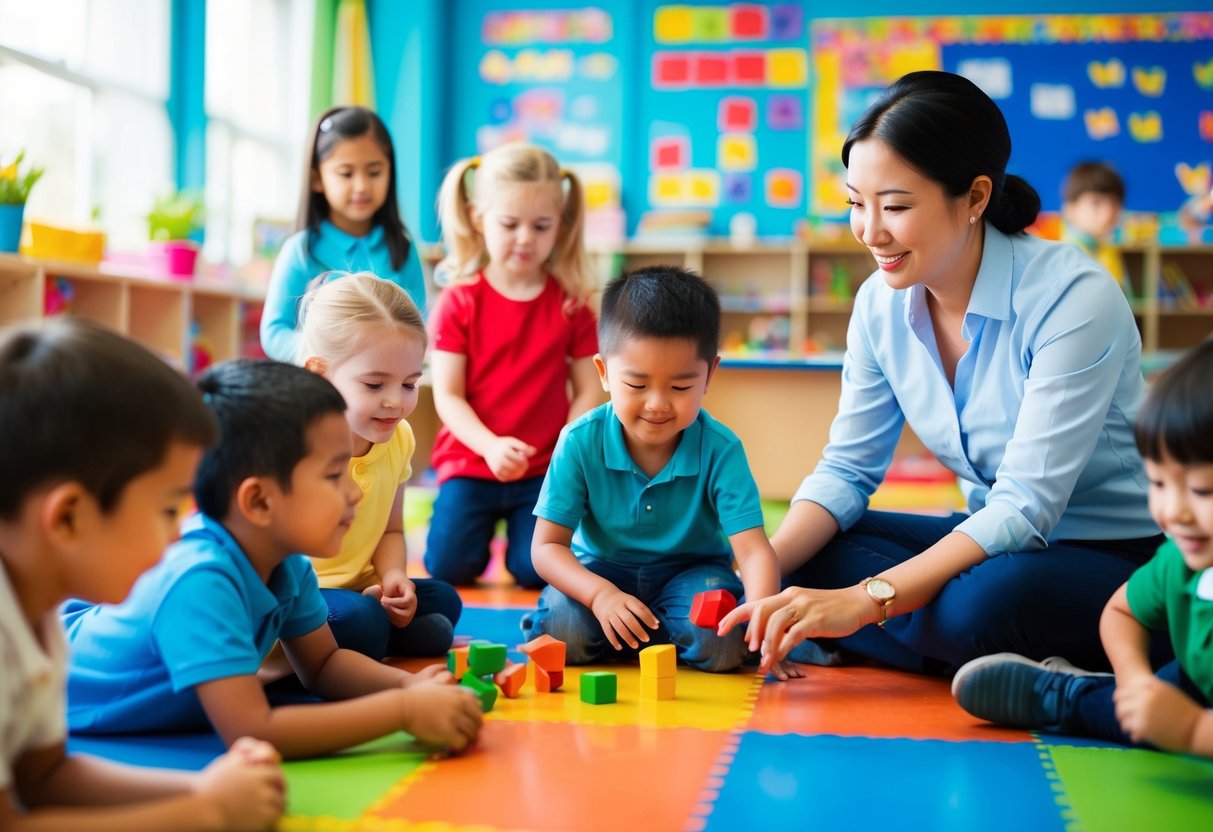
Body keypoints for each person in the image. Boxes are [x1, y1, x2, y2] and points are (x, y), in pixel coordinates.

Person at [718, 70, 1163, 681]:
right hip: (991, 538)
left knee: (979, 607)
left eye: (896, 206)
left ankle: (898, 634)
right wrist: (750, 577)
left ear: (976, 197)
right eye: (855, 203)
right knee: (798, 559)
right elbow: (847, 470)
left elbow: (1027, 505)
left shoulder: (1073, 296)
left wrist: (865, 600)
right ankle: (972, 650)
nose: (870, 232)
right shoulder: (879, 304)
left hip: (1116, 551)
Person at [64, 360, 483, 760]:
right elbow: (254, 730)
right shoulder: (200, 579)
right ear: (259, 500)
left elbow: (323, 665)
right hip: (48, 682)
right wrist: (404, 712)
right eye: (334, 475)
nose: (355, 493)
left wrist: (409, 688)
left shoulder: (287, 564)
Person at [0, 319, 284, 831]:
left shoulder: (36, 608)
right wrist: (204, 812)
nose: (178, 537)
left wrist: (204, 786)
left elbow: (44, 777)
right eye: (168, 509)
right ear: (69, 518)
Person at [520, 266, 789, 674]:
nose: (658, 404)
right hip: (600, 569)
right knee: (562, 631)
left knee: (725, 644)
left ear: (709, 375)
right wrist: (599, 595)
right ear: (604, 373)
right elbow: (547, 547)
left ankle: (639, 635)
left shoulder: (721, 449)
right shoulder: (579, 441)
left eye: (680, 387)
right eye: (638, 385)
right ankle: (640, 632)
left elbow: (752, 550)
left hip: (692, 573)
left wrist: (764, 621)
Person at [952, 338, 1213, 757]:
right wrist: (1133, 681)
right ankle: (1073, 693)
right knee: (1148, 707)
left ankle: (1070, 697)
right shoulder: (1180, 561)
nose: (1174, 512)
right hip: (1192, 682)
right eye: (1159, 484)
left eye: (1201, 490)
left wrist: (1191, 731)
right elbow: (1122, 610)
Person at [425, 143, 601, 588]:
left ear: (559, 227)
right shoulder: (459, 301)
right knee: (447, 569)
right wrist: (489, 446)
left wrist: (566, 446)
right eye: (510, 224)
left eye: (540, 226)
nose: (525, 238)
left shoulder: (572, 305)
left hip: (542, 470)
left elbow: (589, 389)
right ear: (479, 219)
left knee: (535, 571)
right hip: (471, 461)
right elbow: (448, 395)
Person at [297, 273, 461, 658]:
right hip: (303, 596)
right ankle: (372, 634)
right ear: (320, 374)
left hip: (363, 587)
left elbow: (390, 529)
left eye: (409, 384)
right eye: (374, 385)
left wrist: (393, 579)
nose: (395, 402)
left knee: (444, 600)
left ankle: (379, 631)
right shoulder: (297, 445)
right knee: (360, 620)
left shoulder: (399, 437)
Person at [261, 106, 426, 362]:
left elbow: (420, 322)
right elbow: (274, 331)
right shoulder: (302, 249)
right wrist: (320, 356)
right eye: (346, 174)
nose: (361, 186)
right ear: (317, 178)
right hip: (319, 388)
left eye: (374, 172)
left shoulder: (401, 248)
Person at [1060, 160, 1127, 290]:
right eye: (1096, 203)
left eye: (1114, 203)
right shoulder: (1067, 255)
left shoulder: (1106, 249)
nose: (1108, 212)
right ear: (1070, 209)